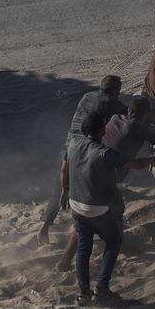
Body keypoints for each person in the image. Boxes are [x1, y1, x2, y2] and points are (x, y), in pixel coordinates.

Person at [66, 111, 155, 303]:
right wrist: (151, 160)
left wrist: (63, 192)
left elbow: (63, 168)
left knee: (83, 249)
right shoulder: (105, 153)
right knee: (114, 241)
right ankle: (101, 287)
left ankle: (83, 293)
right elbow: (134, 164)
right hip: (96, 208)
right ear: (102, 131)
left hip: (75, 204)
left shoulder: (73, 143)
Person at [37, 75, 128, 248]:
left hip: (68, 146)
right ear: (117, 90)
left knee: (60, 187)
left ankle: (44, 227)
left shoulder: (87, 96)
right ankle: (116, 236)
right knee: (99, 191)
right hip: (85, 150)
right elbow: (131, 114)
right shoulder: (111, 102)